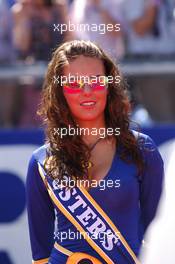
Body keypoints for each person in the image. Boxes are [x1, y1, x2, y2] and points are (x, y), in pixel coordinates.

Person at [26, 40, 164, 263]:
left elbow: (160, 234)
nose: (87, 91)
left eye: (97, 81)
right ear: (59, 91)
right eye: (74, 84)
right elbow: (40, 254)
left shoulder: (142, 149)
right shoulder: (40, 161)